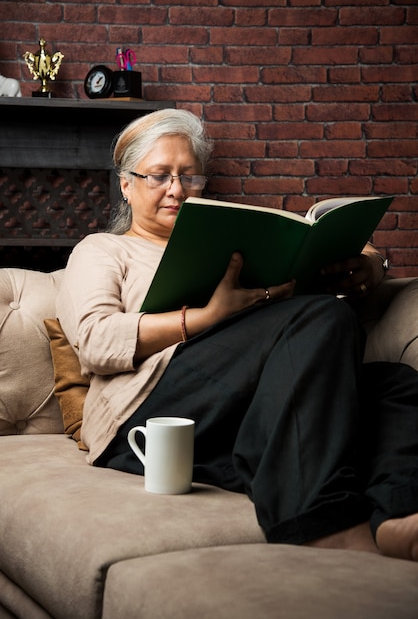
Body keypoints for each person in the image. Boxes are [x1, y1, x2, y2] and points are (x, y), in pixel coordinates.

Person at [56, 108, 418, 561]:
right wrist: (205, 318)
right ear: (126, 184)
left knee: (396, 385)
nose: (176, 189)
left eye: (190, 177)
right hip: (149, 413)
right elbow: (93, 339)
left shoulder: (232, 244)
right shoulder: (104, 250)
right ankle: (319, 521)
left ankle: (396, 516)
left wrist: (369, 265)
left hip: (244, 402)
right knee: (322, 317)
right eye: (159, 176)